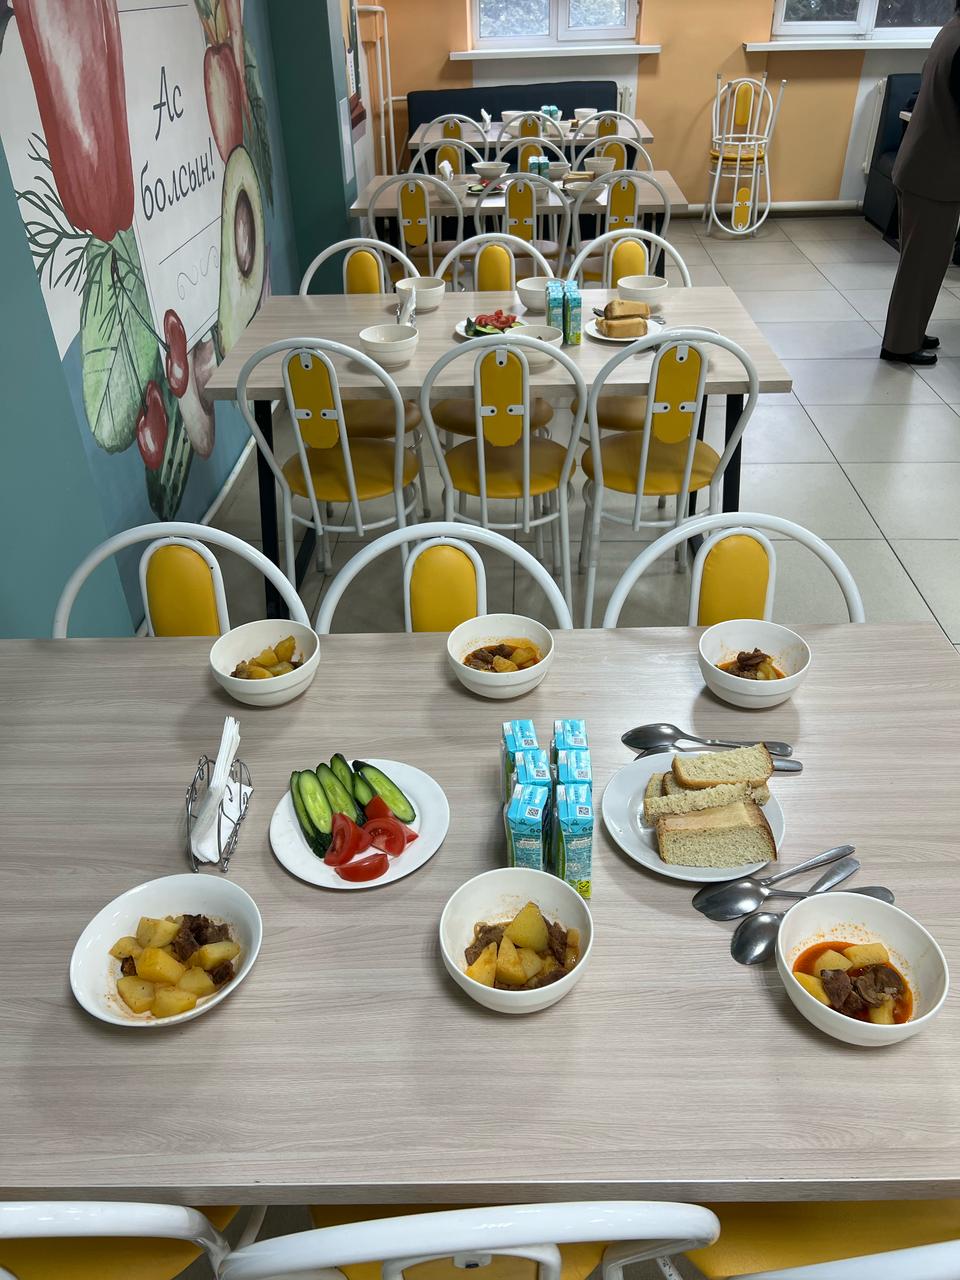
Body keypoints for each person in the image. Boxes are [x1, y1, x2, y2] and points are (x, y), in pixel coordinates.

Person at [881, 2, 960, 367]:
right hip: (935, 175)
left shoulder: (952, 29)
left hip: (921, 164)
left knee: (921, 263)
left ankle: (910, 330)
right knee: (922, 265)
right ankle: (900, 344)